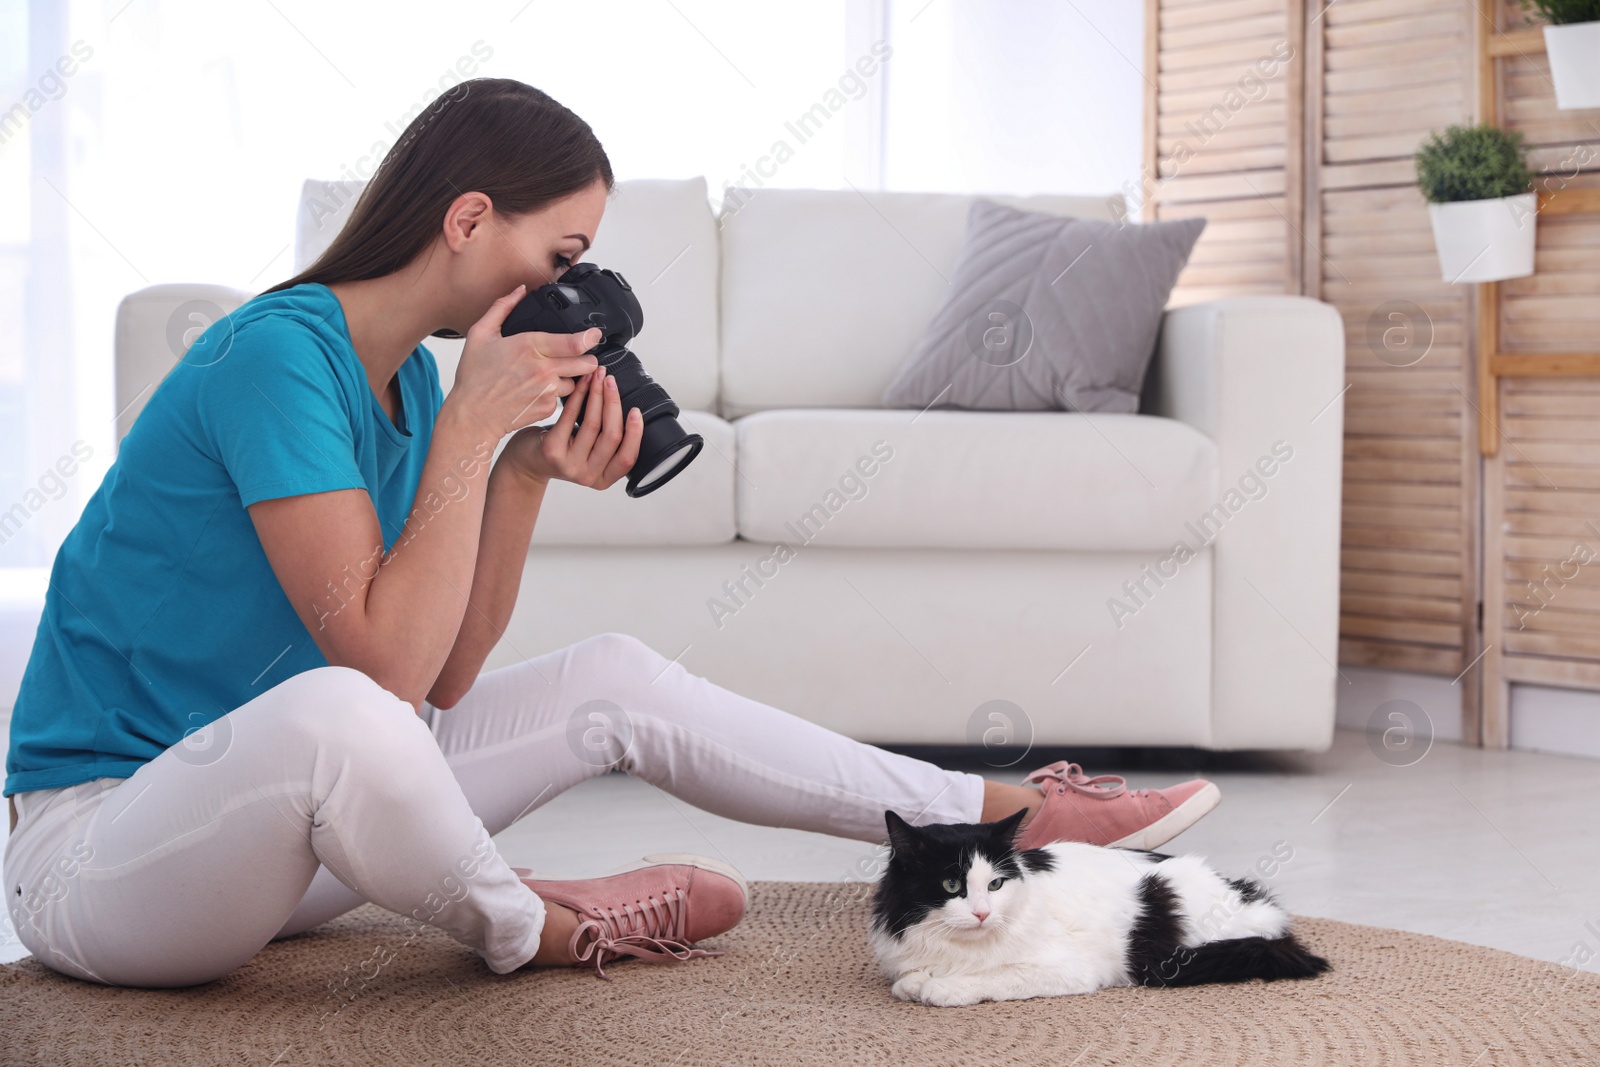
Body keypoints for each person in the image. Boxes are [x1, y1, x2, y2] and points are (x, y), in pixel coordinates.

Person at [3, 78, 1219, 990]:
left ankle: (995, 813)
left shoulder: (411, 391)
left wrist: (517, 470)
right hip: (104, 860)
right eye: (558, 257)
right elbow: (373, 679)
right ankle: (538, 922)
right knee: (340, 712)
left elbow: (440, 680)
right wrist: (477, 438)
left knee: (612, 678)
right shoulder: (277, 354)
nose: (563, 293)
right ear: (471, 218)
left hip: (273, 852)